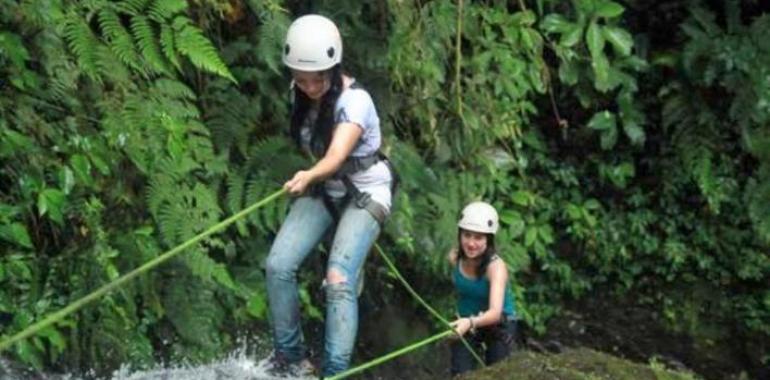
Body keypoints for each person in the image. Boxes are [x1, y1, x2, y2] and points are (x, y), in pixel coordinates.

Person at [263, 14, 395, 378]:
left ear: (334, 68)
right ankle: (291, 360)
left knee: (338, 278)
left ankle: (334, 373)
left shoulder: (356, 102)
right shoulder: (300, 95)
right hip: (327, 191)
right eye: (300, 79)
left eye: (317, 78)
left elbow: (336, 156)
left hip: (365, 193)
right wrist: (313, 178)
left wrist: (307, 175)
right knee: (278, 266)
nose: (309, 87)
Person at [448, 201, 519, 376]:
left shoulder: (496, 268)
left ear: (489, 239)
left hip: (499, 323)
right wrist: (462, 318)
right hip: (466, 320)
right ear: (460, 235)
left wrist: (470, 322)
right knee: (460, 373)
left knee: (497, 373)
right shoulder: (454, 257)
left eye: (478, 237)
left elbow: (495, 312)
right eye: (467, 235)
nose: (471, 243)